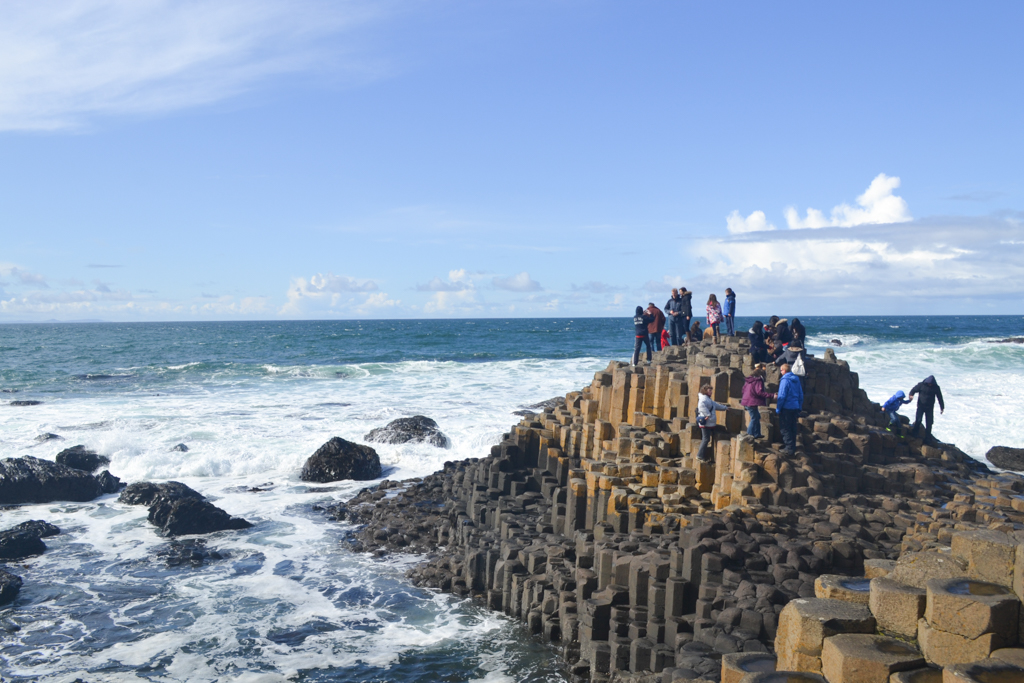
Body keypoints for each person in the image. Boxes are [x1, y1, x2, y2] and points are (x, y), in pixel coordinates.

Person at [695, 384, 729, 462]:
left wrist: (725, 408)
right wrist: (708, 415)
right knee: (706, 439)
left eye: (711, 390)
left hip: (710, 423)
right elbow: (701, 407)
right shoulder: (703, 399)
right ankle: (699, 455)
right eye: (710, 390)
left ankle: (705, 455)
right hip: (706, 423)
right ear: (705, 391)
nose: (711, 392)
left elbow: (715, 405)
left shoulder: (708, 399)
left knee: (709, 438)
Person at [776, 363, 804, 456]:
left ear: (784, 370)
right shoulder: (796, 380)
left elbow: (782, 396)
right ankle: (793, 447)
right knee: (793, 428)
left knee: (785, 428)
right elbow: (801, 394)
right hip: (795, 407)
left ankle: (789, 448)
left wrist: (778, 409)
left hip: (786, 407)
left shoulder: (785, 380)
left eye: (781, 370)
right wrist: (799, 406)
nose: (780, 372)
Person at [741, 364, 776, 439]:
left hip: (747, 401)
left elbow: (743, 390)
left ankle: (757, 433)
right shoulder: (759, 380)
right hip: (752, 402)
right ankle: (749, 435)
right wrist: (772, 395)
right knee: (754, 418)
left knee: (757, 416)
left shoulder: (749, 380)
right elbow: (759, 392)